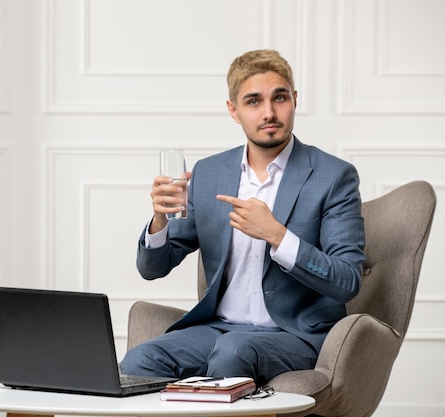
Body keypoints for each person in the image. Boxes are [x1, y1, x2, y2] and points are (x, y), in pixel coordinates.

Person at [119, 49, 365, 386]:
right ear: (233, 110)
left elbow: (347, 281)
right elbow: (152, 269)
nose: (269, 112)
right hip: (218, 328)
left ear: (294, 100)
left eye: (279, 98)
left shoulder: (333, 177)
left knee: (234, 350)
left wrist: (278, 236)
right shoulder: (209, 173)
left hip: (297, 334)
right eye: (253, 101)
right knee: (140, 359)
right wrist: (159, 221)